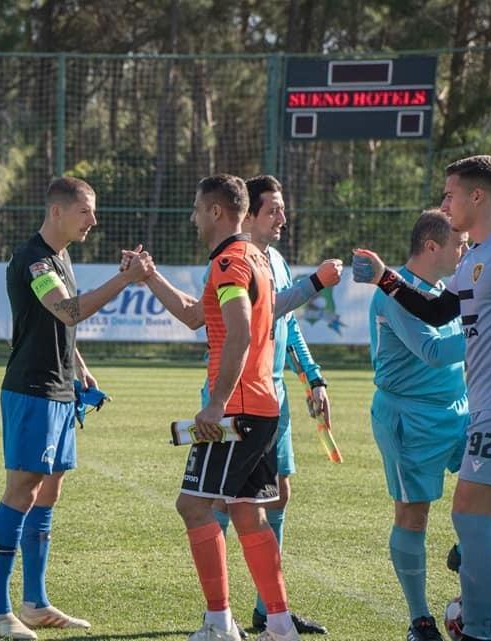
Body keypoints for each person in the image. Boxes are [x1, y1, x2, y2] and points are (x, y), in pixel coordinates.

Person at [354, 155, 491, 641]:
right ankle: (435, 612)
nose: (444, 202)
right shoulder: (476, 259)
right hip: (423, 419)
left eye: (449, 193)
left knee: (482, 515)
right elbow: (436, 317)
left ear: (477, 196)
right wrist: (384, 277)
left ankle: (476, 612)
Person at [0, 176, 154, 640]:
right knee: (22, 488)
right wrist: (126, 278)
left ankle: (35, 603)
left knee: (50, 490)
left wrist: (79, 365)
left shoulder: (62, 255)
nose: (93, 221)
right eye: (86, 211)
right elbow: (69, 311)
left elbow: (59, 326)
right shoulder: (34, 260)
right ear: (57, 211)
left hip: (60, 389)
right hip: (31, 390)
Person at [146, 174, 309, 641]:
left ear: (216, 211)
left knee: (192, 507)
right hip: (263, 406)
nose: (194, 217)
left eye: (197, 209)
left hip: (237, 412)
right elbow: (197, 317)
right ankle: (278, 623)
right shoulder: (253, 256)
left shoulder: (229, 263)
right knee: (245, 512)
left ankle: (220, 623)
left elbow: (238, 332)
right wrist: (150, 274)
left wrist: (216, 404)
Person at [202, 175, 332, 636]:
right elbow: (264, 312)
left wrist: (312, 377)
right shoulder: (234, 260)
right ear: (250, 214)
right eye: (273, 209)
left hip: (269, 397)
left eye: (283, 208)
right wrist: (317, 282)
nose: (282, 217)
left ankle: (266, 610)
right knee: (215, 501)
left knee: (272, 497)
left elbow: (288, 326)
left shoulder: (271, 258)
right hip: (239, 396)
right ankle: (220, 612)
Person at [368, 210, 471, 641]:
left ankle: (469, 552)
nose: (465, 251)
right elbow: (432, 352)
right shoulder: (394, 295)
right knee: (413, 515)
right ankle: (420, 620)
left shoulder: (444, 290)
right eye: (459, 244)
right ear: (432, 246)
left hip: (459, 410)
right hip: (409, 419)